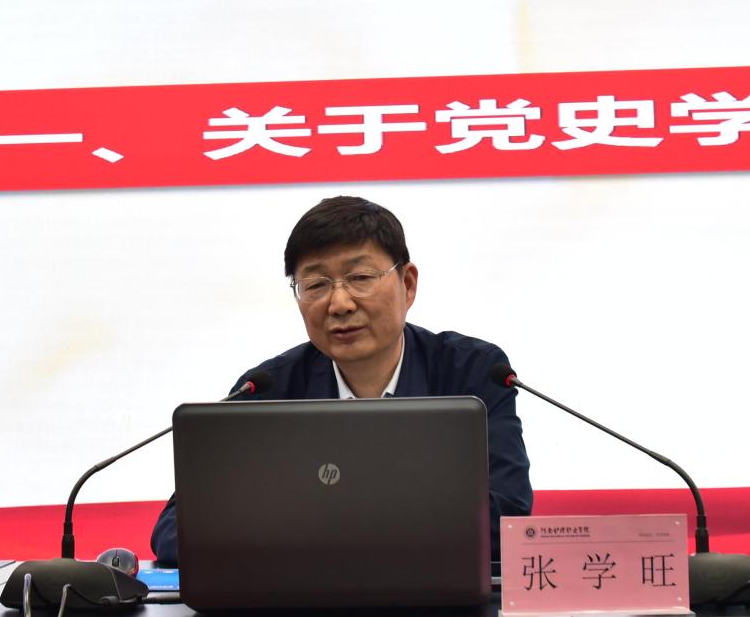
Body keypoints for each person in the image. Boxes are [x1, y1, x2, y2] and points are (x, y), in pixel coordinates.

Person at [151, 196, 532, 563]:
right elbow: (174, 532)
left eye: (360, 277)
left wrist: (308, 533)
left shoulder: (473, 373)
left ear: (408, 284)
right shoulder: (267, 390)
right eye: (316, 285)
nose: (340, 304)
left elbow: (508, 519)